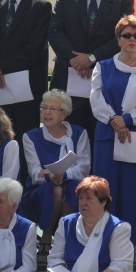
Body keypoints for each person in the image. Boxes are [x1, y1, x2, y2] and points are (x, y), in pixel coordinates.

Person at [90, 15, 136, 245]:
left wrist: (128, 120)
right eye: (127, 35)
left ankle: (127, 250)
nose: (132, 40)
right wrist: (116, 121)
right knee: (105, 194)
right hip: (107, 137)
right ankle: (102, 247)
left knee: (133, 197)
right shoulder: (102, 67)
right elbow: (96, 101)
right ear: (118, 39)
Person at [48, 0, 134, 146]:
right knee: (66, 136)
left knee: (99, 137)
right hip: (68, 76)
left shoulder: (123, 1)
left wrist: (92, 58)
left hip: (105, 81)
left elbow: (123, 37)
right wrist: (76, 60)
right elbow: (54, 31)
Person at [0, 0, 51, 183]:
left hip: (26, 89)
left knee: (24, 138)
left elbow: (34, 48)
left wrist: (0, 66)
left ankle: (23, 188)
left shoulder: (40, 7)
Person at [20, 89, 90, 262]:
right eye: (44, 108)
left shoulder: (79, 133)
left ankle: (64, 240)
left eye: (53, 108)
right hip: (41, 188)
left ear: (64, 114)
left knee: (73, 190)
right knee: (54, 190)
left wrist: (63, 174)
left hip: (71, 182)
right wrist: (50, 177)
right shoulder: (31, 136)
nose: (47, 112)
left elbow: (84, 167)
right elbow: (34, 171)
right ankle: (46, 239)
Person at [48, 176, 136, 272]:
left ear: (103, 201)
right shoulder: (66, 223)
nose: (83, 203)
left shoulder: (119, 228)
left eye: (89, 198)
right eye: (81, 198)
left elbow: (121, 266)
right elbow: (55, 259)